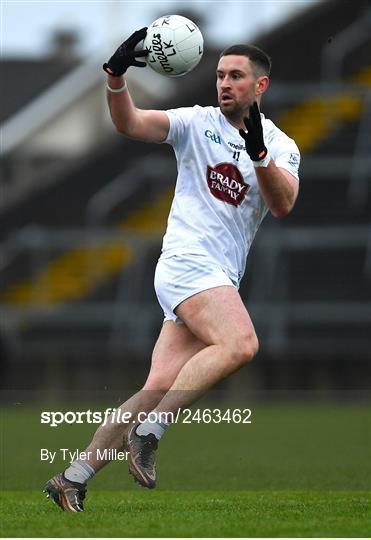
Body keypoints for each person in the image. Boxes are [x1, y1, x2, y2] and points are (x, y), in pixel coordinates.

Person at [44, 26, 300, 512]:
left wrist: (259, 153)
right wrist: (116, 77)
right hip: (186, 262)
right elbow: (130, 124)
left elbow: (283, 203)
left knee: (157, 387)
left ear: (260, 87)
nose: (224, 83)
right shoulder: (194, 121)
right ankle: (152, 431)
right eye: (221, 74)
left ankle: (72, 477)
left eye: (237, 76)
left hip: (218, 273)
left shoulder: (281, 145)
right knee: (240, 343)